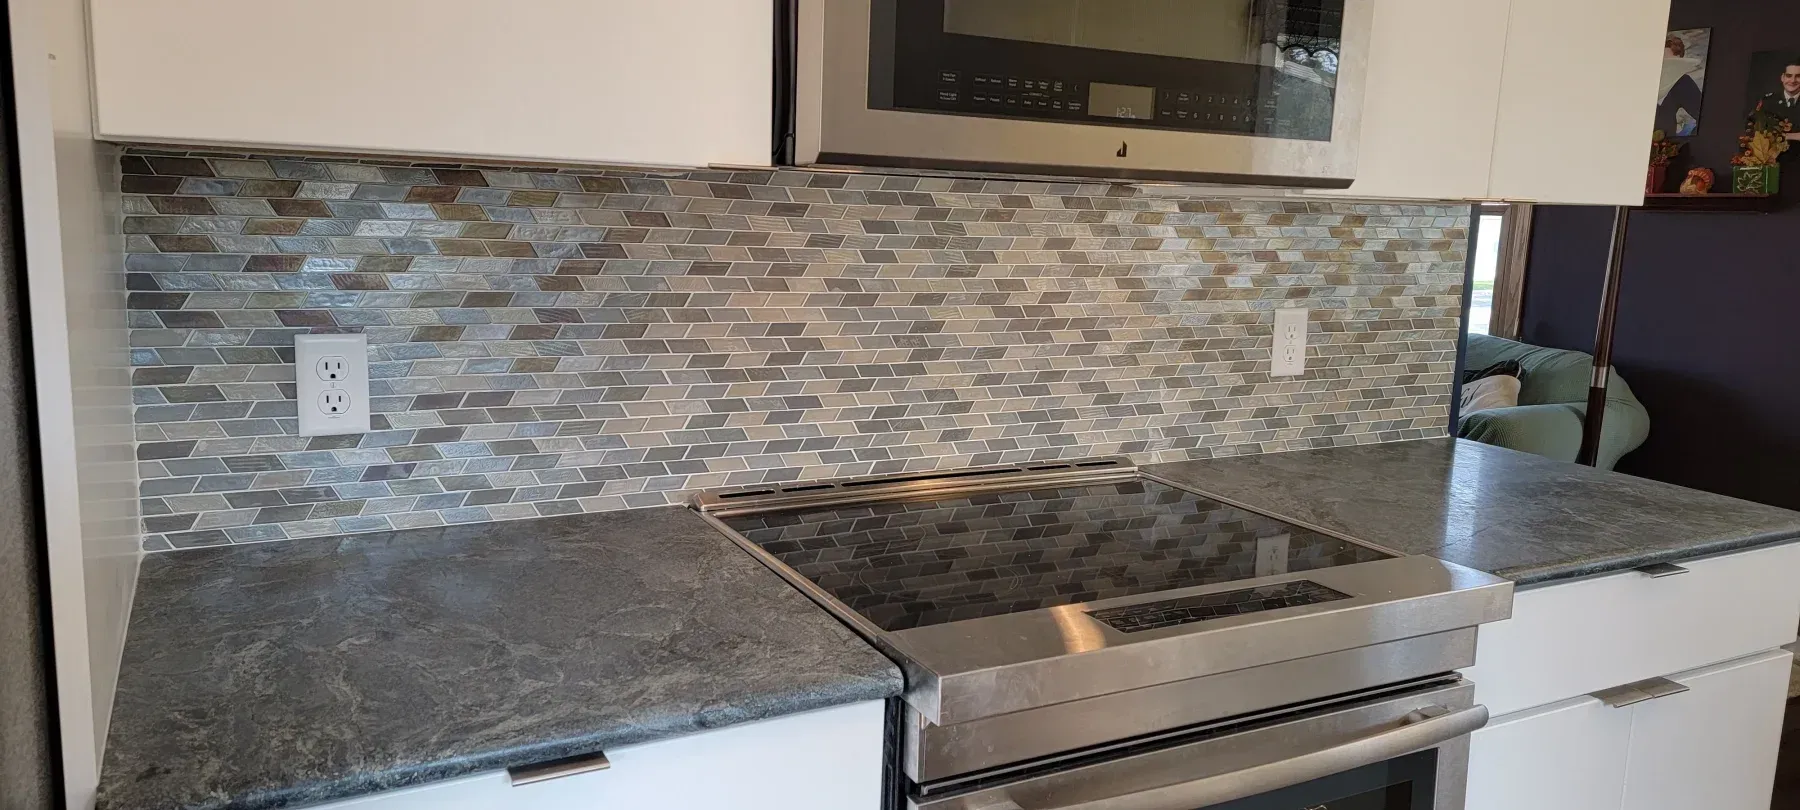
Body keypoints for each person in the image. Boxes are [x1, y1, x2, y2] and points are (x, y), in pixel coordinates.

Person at [1656, 35, 1703, 137]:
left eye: (1672, 64)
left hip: (1662, 145)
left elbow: (1705, 119)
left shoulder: (1682, 82)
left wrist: (1686, 142)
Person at [1758, 56, 1800, 137]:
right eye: (1789, 75)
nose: (1793, 80)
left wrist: (1783, 136)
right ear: (1782, 77)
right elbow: (1755, 128)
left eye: (1798, 76)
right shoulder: (1768, 101)